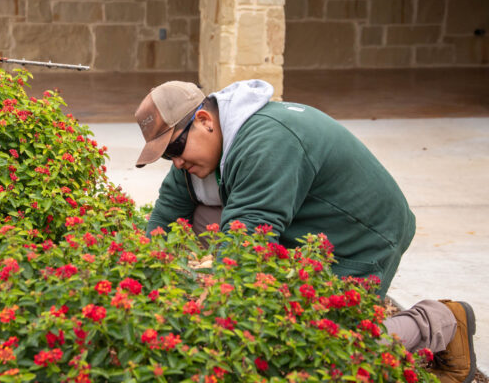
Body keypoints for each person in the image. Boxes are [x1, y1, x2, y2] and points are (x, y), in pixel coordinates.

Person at [134, 80, 476, 383]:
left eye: (175, 149)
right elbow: (165, 216)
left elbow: (243, 249)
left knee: (319, 348)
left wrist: (211, 320)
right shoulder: (206, 147)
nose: (176, 162)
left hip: (360, 235)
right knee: (200, 220)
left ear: (204, 120)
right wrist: (150, 285)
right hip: (304, 221)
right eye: (166, 156)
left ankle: (440, 321)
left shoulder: (266, 143)